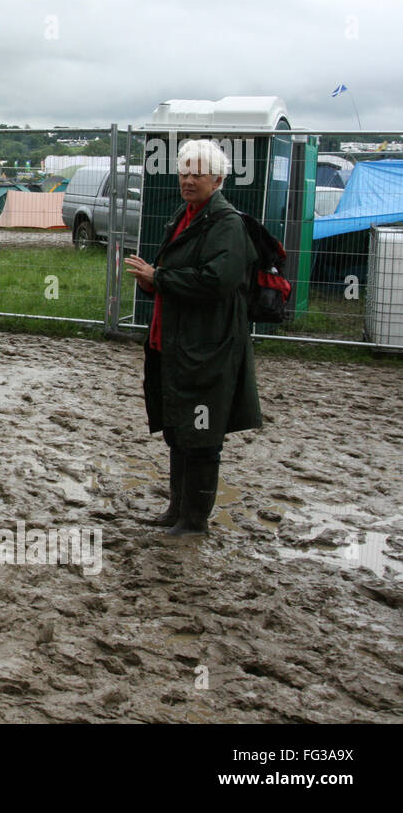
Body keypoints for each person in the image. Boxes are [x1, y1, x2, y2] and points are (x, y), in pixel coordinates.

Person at [123, 139, 262, 536]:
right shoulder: (185, 215)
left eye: (197, 173)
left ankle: (194, 520)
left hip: (208, 346)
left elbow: (218, 280)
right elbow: (180, 275)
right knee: (179, 427)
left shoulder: (227, 223)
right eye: (184, 171)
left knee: (201, 433)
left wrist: (159, 277)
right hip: (175, 341)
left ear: (217, 179)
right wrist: (154, 280)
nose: (188, 179)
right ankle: (176, 510)